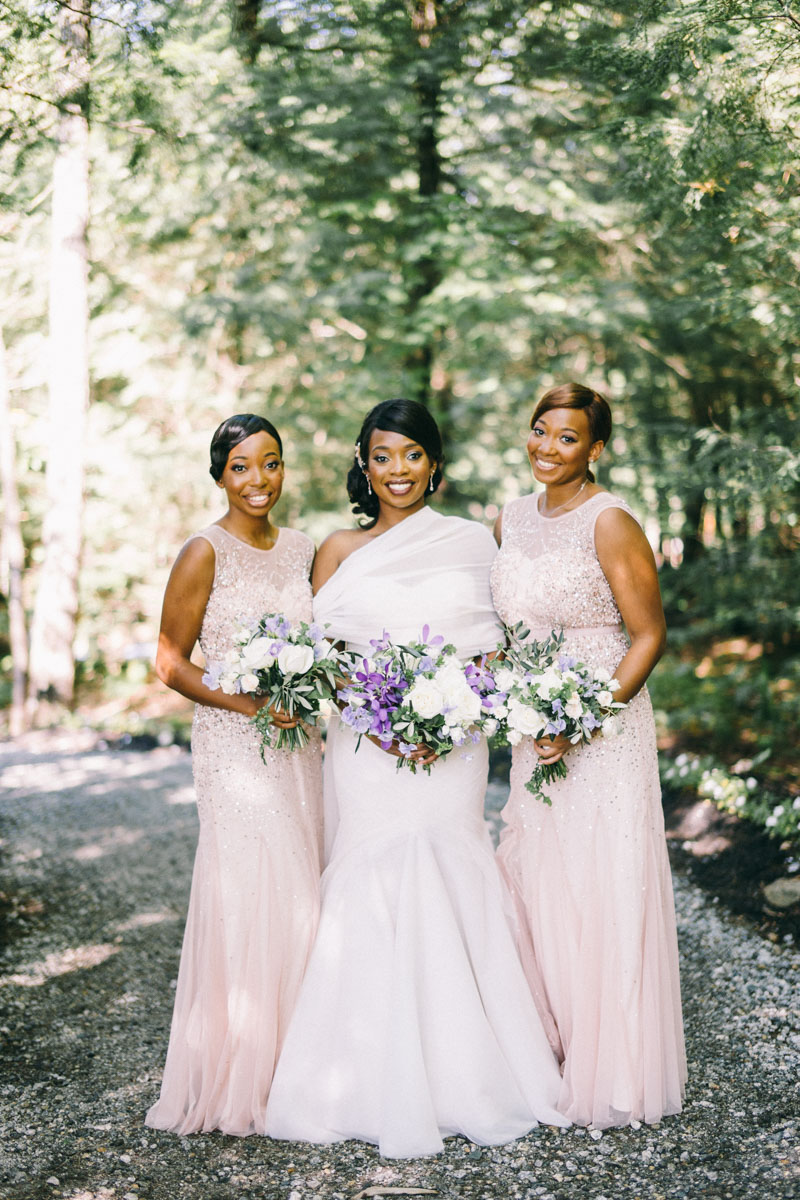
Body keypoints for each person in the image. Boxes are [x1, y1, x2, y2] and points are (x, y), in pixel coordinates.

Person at [264, 399, 568, 1159]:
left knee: (451, 868)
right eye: (382, 456)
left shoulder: (473, 540)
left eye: (412, 455)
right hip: (365, 751)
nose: (397, 470)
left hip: (455, 747)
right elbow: (322, 660)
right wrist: (380, 722)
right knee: (370, 875)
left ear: (435, 463)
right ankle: (357, 1075)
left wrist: (448, 719)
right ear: (363, 466)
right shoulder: (334, 548)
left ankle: (471, 1070)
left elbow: (495, 650)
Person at [491, 382, 687, 1128]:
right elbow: (508, 630)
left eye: (567, 438)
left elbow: (648, 636)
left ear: (595, 449)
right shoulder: (512, 518)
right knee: (538, 872)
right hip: (528, 725)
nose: (547, 447)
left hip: (600, 724)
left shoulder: (611, 522)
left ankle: (616, 1065)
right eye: (540, 430)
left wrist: (583, 717)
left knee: (602, 873)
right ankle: (552, 1049)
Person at [145, 414, 323, 1137]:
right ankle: (241, 1069)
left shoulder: (306, 549)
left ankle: (302, 1064)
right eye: (242, 467)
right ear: (219, 474)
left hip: (299, 740)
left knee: (303, 883)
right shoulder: (203, 551)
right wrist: (247, 701)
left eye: (271, 464)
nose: (259, 480)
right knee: (250, 884)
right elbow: (169, 661)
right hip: (232, 742)